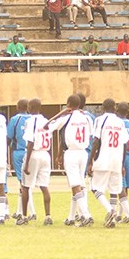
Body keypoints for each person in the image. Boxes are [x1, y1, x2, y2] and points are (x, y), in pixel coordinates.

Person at [44, 95, 94, 226]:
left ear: (68, 104)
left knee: (75, 185)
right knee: (79, 184)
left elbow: (46, 126)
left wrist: (60, 113)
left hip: (71, 153)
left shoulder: (66, 117)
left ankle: (86, 215)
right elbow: (90, 133)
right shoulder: (87, 117)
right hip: (83, 152)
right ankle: (72, 217)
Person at [88, 98, 128, 228]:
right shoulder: (120, 122)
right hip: (116, 159)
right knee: (113, 189)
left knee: (94, 187)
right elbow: (124, 143)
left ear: (103, 108)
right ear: (115, 108)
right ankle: (112, 219)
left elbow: (96, 141)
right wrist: (122, 164)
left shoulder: (100, 120)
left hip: (104, 158)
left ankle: (110, 210)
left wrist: (90, 160)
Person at [20, 98, 52, 226]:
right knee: (44, 187)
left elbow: (30, 142)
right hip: (46, 154)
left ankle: (24, 216)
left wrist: (27, 162)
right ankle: (48, 216)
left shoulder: (30, 121)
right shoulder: (46, 121)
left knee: (26, 186)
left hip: (34, 153)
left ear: (30, 107)